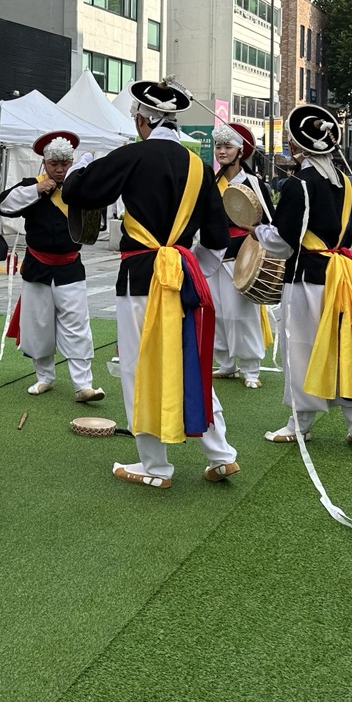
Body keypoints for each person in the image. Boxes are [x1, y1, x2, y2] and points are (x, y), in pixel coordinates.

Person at [60, 79, 237, 489]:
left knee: (137, 368)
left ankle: (154, 466)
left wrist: (82, 164)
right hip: (181, 276)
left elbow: (77, 192)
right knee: (189, 360)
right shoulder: (199, 166)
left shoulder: (133, 155)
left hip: (140, 277)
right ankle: (221, 453)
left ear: (142, 119)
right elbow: (217, 239)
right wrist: (194, 270)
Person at [254, 104, 352, 448]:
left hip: (306, 279)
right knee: (344, 347)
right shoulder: (343, 183)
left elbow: (283, 243)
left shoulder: (299, 185)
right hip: (343, 276)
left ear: (297, 147)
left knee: (302, 349)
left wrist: (256, 230)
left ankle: (300, 423)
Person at [0, 129, 104, 402]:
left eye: (65, 163)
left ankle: (83, 384)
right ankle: (44, 377)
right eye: (54, 163)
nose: (59, 169)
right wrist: (36, 189)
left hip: (70, 267)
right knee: (38, 325)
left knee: (78, 326)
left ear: (72, 162)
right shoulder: (31, 186)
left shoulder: (80, 187)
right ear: (44, 163)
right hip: (37, 267)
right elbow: (4, 206)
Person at [201, 122, 274, 389]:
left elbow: (268, 221)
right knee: (217, 311)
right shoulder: (211, 181)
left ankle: (251, 368)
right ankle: (226, 363)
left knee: (241, 313)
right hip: (213, 255)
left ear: (240, 151)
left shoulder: (254, 183)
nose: (221, 151)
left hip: (243, 256)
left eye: (227, 146)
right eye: (218, 146)